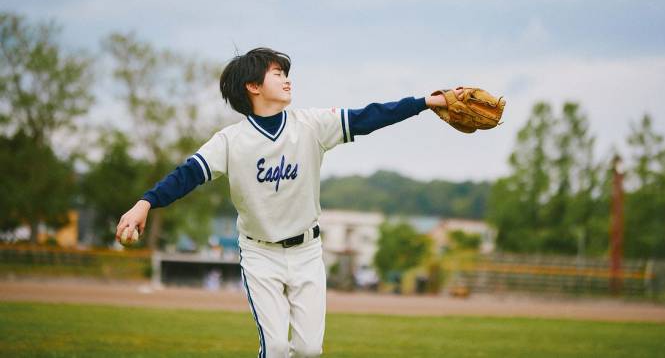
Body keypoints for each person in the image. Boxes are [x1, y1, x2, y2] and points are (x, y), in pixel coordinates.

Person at [116, 47, 459, 357]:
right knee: (277, 347)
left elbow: (369, 116)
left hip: (307, 252)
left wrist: (425, 103)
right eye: (277, 73)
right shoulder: (231, 141)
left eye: (285, 73)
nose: (286, 79)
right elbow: (187, 174)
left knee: (309, 350)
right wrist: (145, 203)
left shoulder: (310, 125)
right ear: (252, 86)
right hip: (260, 254)